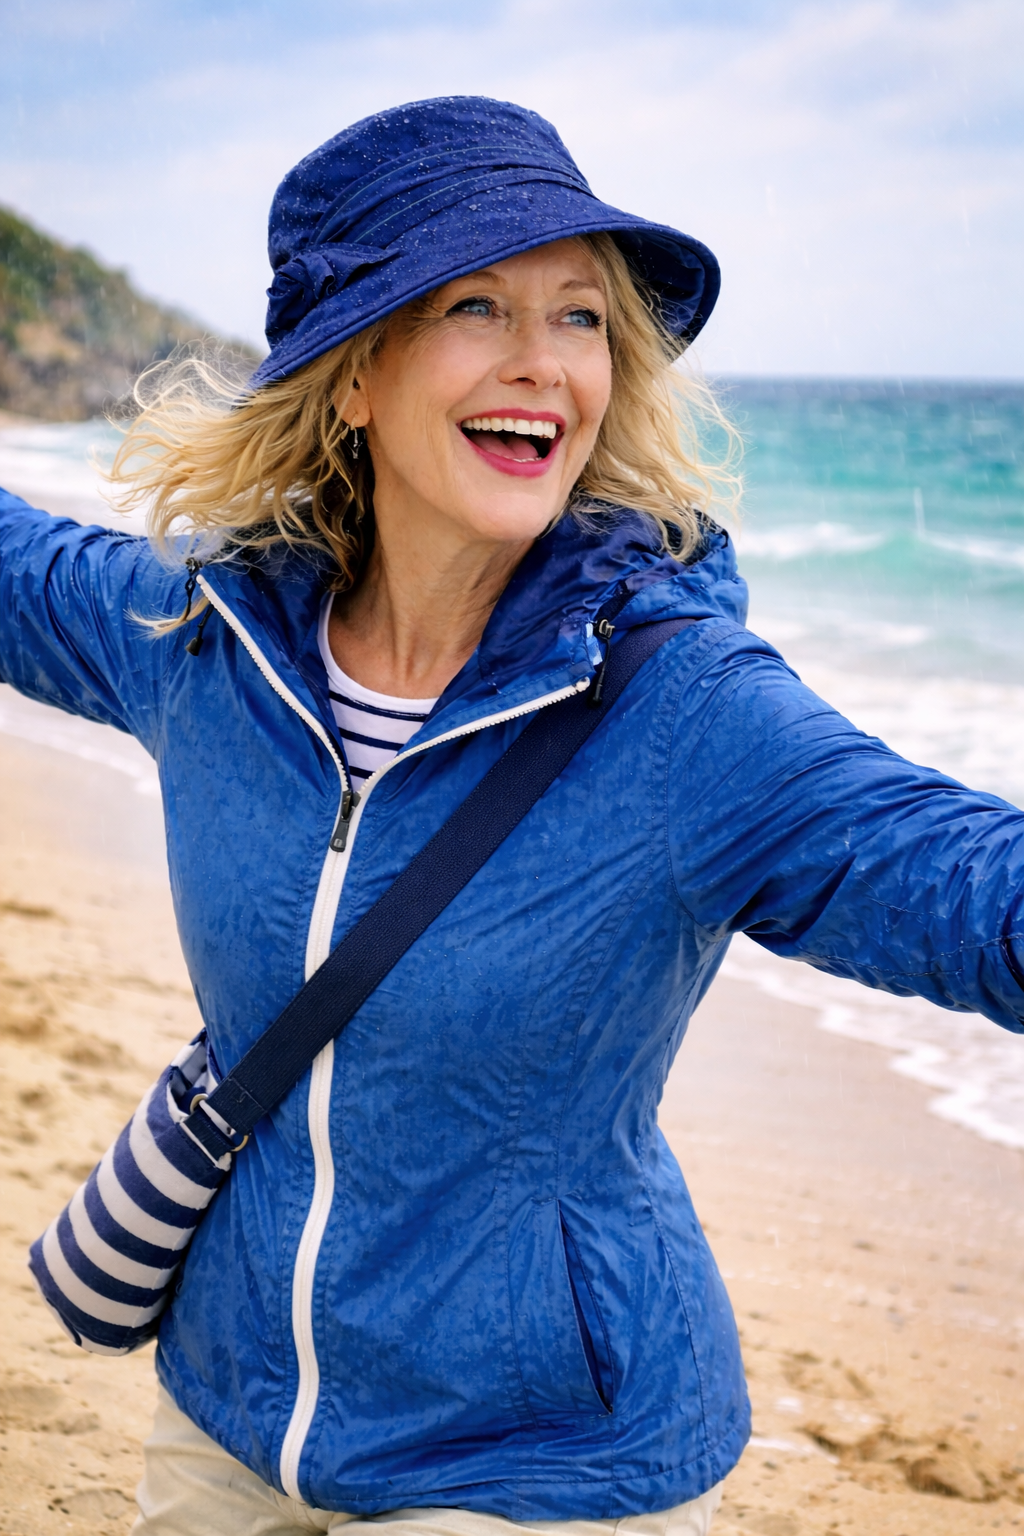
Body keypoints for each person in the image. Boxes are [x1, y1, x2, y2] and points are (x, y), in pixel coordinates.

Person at [2, 96, 1023, 1536]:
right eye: (477, 305)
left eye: (581, 317)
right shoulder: (204, 639)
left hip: (537, 1464)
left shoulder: (686, 711)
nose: (544, 362)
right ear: (354, 376)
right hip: (230, 1407)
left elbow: (965, 884)